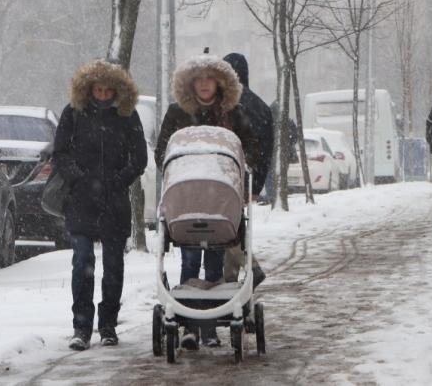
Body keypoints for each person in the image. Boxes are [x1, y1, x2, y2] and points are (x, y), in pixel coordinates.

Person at [155, 54, 260, 349]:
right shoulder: (177, 113)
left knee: (214, 260)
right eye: (198, 80)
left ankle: (210, 326)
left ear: (219, 82)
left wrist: (242, 167)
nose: (204, 85)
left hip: (221, 198)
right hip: (187, 197)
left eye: (209, 79)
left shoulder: (233, 113)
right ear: (190, 84)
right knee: (190, 260)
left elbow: (250, 148)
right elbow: (163, 149)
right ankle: (190, 325)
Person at [53, 59, 147, 351]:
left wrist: (119, 180)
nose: (103, 94)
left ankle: (108, 325)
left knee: (113, 265)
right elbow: (60, 152)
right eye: (98, 89)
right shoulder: (74, 114)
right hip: (81, 201)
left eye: (109, 90)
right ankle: (81, 327)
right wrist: (79, 178)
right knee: (82, 262)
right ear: (88, 88)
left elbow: (139, 157)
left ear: (118, 90)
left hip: (114, 202)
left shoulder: (127, 116)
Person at [221, 53, 270, 287]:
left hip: (228, 174)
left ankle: (251, 267)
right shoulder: (261, 106)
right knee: (235, 224)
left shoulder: (229, 105)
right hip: (248, 175)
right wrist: (257, 184)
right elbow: (265, 151)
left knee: (227, 226)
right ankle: (229, 278)